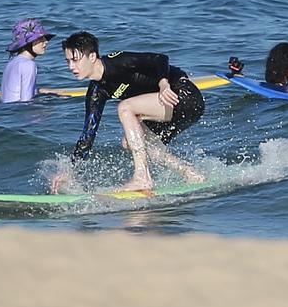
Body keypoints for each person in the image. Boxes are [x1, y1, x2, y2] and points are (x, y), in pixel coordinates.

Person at [51, 31, 205, 193]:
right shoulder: (96, 92)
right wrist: (70, 171)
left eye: (75, 60)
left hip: (184, 96)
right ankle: (190, 173)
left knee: (125, 107)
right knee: (133, 142)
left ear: (92, 57)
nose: (71, 67)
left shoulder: (117, 61)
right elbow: (88, 134)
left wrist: (163, 84)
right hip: (170, 112)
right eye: (68, 61)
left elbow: (160, 58)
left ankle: (142, 178)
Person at [0, 18, 55, 103]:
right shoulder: (29, 65)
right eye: (40, 39)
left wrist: (41, 92)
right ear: (28, 44)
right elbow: (26, 102)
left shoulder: (11, 63)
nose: (46, 41)